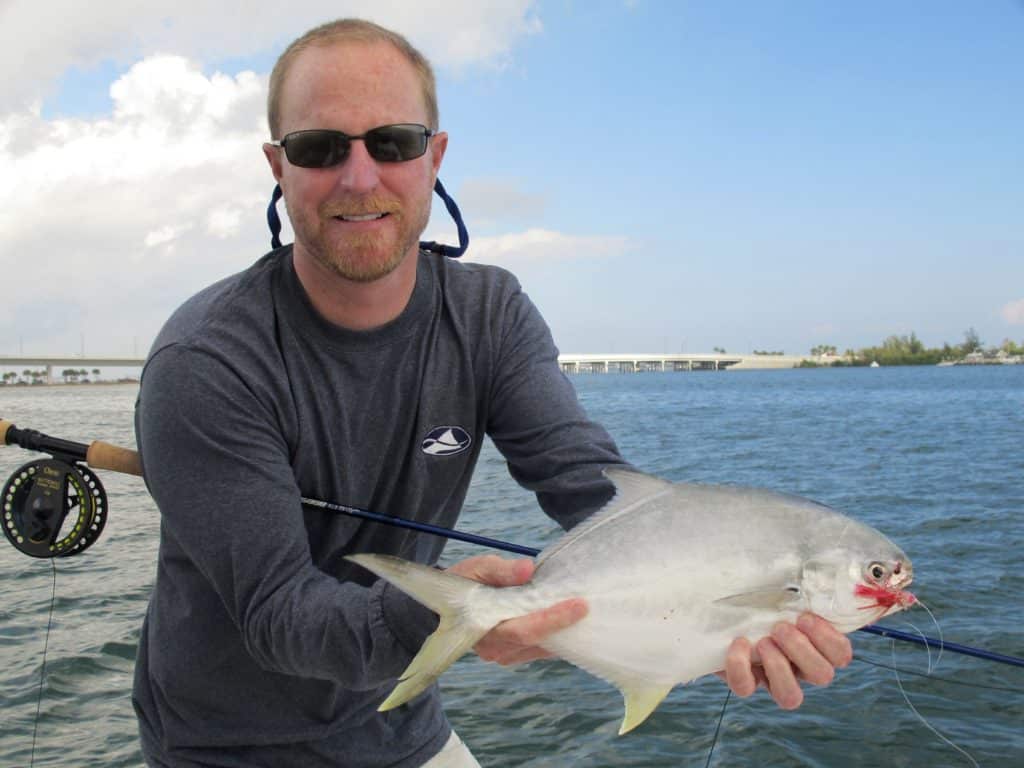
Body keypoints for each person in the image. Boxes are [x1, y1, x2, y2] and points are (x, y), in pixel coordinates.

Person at [132, 18, 852, 768]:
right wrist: (463, 615)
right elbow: (279, 615)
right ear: (278, 167)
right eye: (320, 149)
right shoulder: (207, 362)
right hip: (224, 744)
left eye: (393, 142)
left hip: (403, 719)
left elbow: (590, 488)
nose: (358, 177)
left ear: (434, 155)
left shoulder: (489, 315)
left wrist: (730, 610)